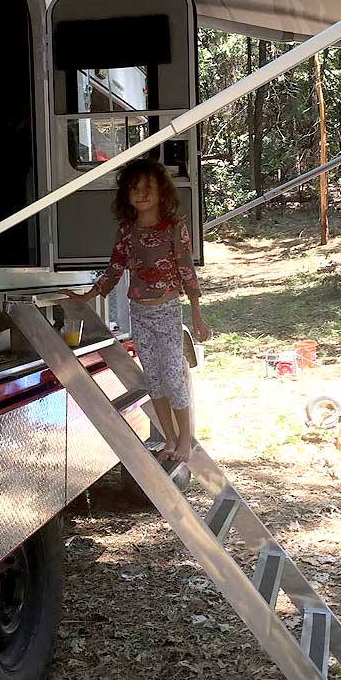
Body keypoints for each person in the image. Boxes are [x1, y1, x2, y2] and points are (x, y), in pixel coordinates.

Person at [65, 160, 210, 464]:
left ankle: (186, 439)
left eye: (148, 187)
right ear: (126, 194)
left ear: (161, 192)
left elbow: (186, 270)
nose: (141, 194)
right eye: (134, 188)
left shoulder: (173, 228)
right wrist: (89, 295)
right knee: (154, 378)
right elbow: (115, 269)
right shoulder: (127, 231)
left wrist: (196, 312)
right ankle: (168, 439)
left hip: (167, 309)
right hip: (139, 311)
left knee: (172, 374)